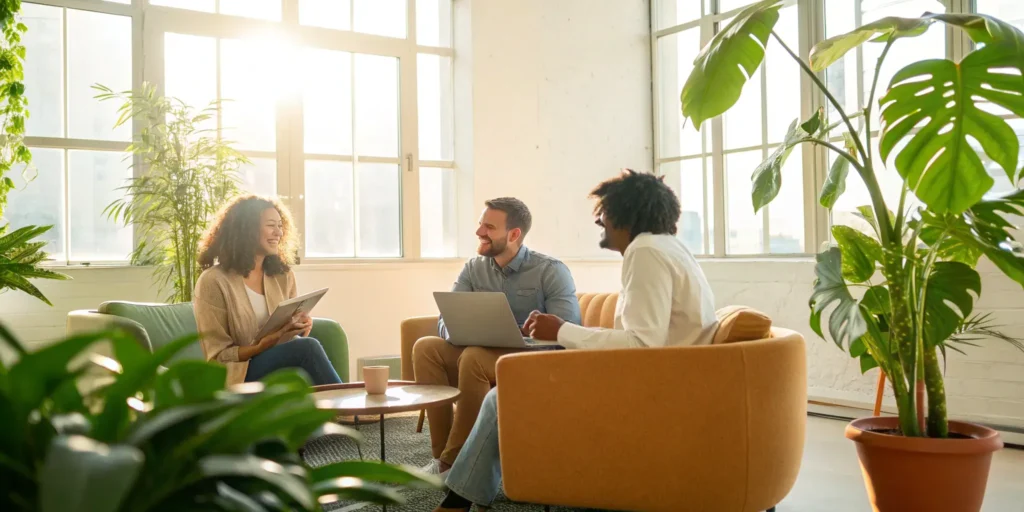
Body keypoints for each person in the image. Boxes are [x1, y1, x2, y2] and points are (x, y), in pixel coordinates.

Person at [432, 170, 718, 512]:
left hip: (652, 386)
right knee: (502, 390)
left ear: (626, 215)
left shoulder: (645, 251)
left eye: (605, 212)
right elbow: (645, 339)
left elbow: (642, 345)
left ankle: (457, 501)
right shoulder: (669, 248)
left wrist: (560, 330)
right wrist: (564, 330)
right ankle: (460, 495)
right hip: (667, 378)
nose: (599, 220)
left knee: (506, 393)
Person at [414, 197, 581, 475]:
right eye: (481, 224)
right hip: (479, 350)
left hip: (531, 360)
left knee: (474, 357)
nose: (479, 232)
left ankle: (455, 462)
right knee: (426, 347)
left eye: (489, 227)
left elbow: (568, 331)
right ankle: (441, 457)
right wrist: (462, 330)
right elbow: (445, 319)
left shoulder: (551, 270)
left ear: (514, 234)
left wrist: (522, 334)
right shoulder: (473, 268)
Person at [193, 195, 343, 387]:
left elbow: (289, 336)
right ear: (246, 229)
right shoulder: (213, 281)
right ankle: (346, 402)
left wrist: (299, 326)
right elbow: (217, 356)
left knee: (306, 346)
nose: (278, 232)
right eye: (271, 225)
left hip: (275, 360)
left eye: (280, 226)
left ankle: (339, 403)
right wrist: (260, 346)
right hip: (237, 373)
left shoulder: (283, 275)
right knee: (308, 348)